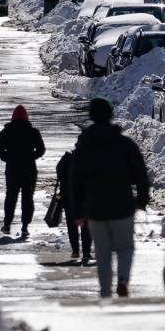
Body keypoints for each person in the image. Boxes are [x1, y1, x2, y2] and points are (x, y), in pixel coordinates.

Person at [71, 98, 150, 298]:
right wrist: (141, 200)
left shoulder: (84, 146)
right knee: (125, 247)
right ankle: (122, 280)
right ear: (110, 115)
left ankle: (105, 289)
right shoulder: (125, 144)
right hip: (122, 205)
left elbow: (75, 180)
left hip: (95, 207)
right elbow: (141, 174)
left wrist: (78, 211)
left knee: (102, 250)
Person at [0, 105, 45, 237]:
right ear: (26, 117)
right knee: (27, 198)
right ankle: (25, 226)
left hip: (12, 168)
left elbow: (0, 151)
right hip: (29, 168)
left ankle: (7, 224)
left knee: (11, 196)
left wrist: (9, 158)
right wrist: (31, 156)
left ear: (12, 117)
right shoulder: (33, 132)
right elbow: (41, 149)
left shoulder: (6, 132)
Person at [56, 149, 92, 262]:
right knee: (86, 225)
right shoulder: (91, 157)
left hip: (68, 196)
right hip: (87, 196)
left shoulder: (68, 157)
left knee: (72, 224)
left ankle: (75, 250)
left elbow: (59, 173)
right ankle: (86, 252)